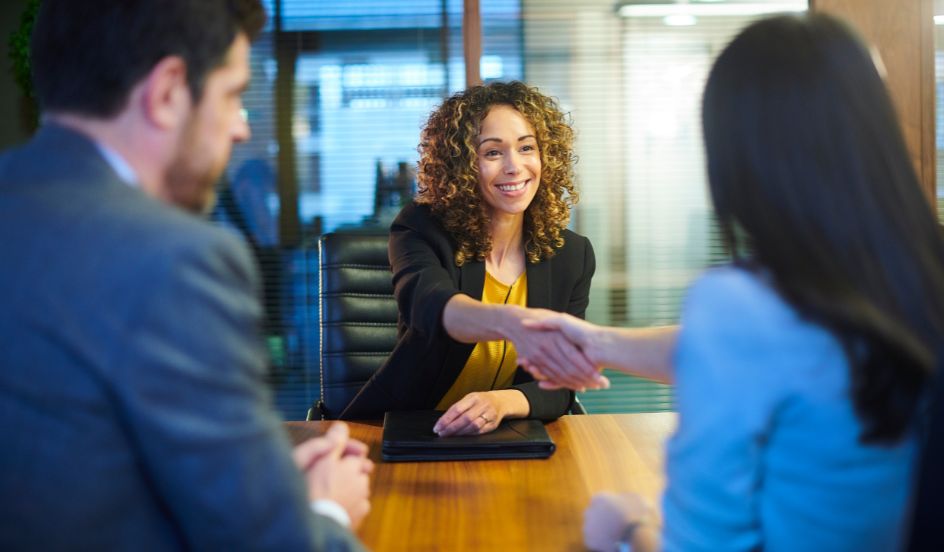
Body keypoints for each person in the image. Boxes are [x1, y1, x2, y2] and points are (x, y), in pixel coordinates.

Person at [525, 13, 944, 552]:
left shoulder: (744, 305)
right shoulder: (912, 269)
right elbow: (778, 354)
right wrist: (601, 343)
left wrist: (628, 526)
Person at [0, 1, 371, 550]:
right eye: (233, 94)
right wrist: (325, 510)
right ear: (169, 91)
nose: (242, 127)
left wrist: (254, 473)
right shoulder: (172, 259)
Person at [341, 81, 608, 436]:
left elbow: (560, 385)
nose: (515, 167)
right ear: (463, 165)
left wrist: (502, 402)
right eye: (493, 153)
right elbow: (433, 308)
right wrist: (512, 322)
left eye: (527, 147)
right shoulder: (420, 229)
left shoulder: (571, 255)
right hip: (410, 427)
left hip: (506, 433)